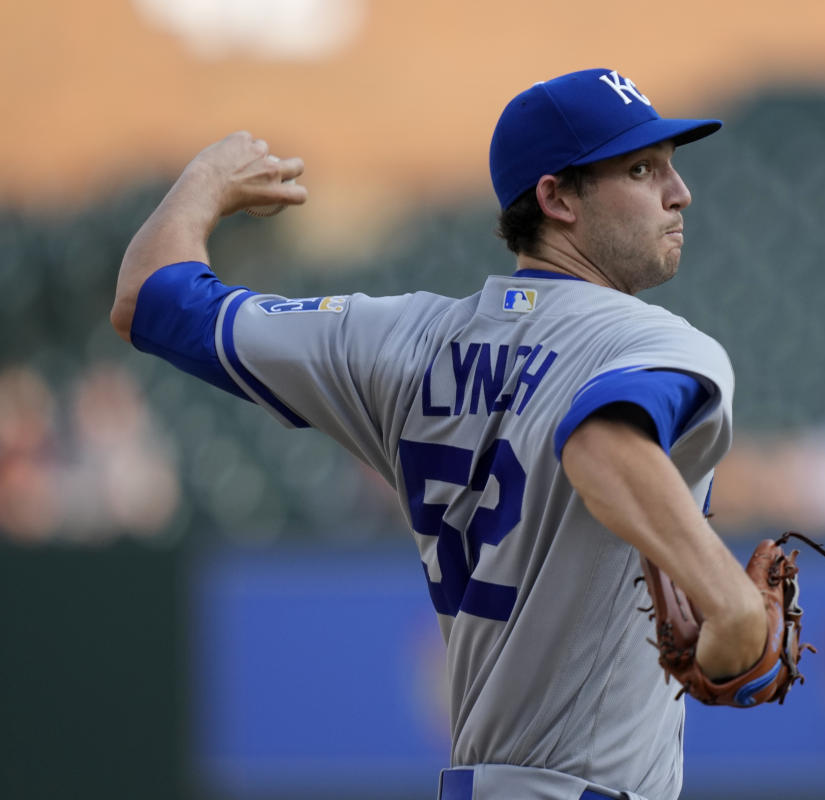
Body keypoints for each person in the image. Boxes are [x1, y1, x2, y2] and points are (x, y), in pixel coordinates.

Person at [112, 68, 765, 800]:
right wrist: (728, 600)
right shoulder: (657, 344)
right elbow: (600, 444)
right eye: (642, 170)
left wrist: (205, 180)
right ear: (555, 198)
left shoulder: (399, 338)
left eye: (672, 167)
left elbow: (147, 298)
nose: (679, 193)